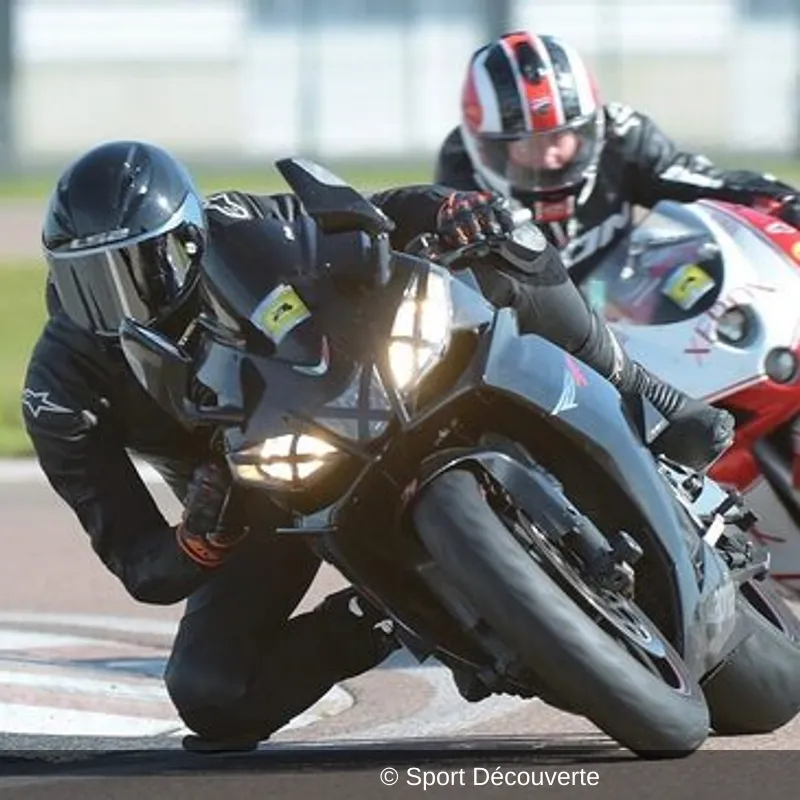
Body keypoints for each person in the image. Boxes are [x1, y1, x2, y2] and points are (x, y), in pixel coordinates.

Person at [22, 139, 732, 753]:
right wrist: (200, 537)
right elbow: (142, 564)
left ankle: (646, 394)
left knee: (506, 242)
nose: (117, 301)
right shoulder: (60, 393)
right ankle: (384, 614)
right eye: (87, 282)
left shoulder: (234, 223)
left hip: (366, 377)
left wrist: (450, 211)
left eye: (136, 268)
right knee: (211, 693)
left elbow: (372, 211)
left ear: (186, 237)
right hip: (260, 492)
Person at [434, 30, 800, 282]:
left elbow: (706, 182)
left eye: (561, 137)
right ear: (485, 146)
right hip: (530, 341)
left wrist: (781, 202)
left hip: (627, 318)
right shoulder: (459, 174)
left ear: (592, 125)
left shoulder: (622, 136)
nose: (549, 158)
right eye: (527, 144)